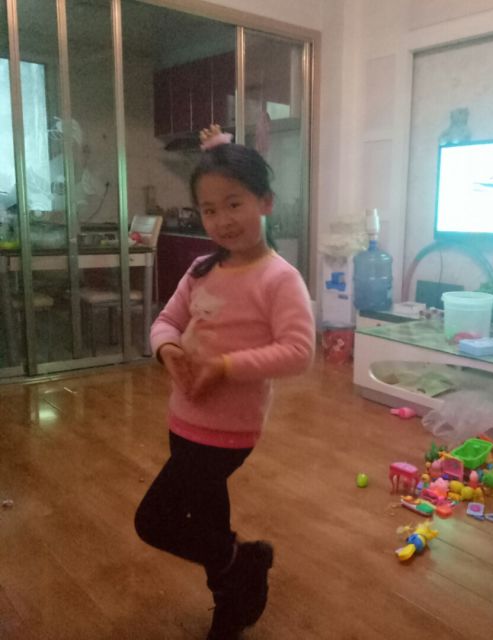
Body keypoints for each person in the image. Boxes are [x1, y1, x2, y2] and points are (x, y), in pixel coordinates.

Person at [134, 124, 315, 640]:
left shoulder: (279, 278)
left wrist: (224, 366)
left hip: (229, 430)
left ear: (265, 202)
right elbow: (165, 321)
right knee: (210, 518)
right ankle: (231, 606)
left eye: (234, 204)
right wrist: (168, 349)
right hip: (182, 418)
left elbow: (299, 352)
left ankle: (245, 562)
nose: (222, 220)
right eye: (209, 210)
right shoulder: (200, 269)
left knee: (154, 521)